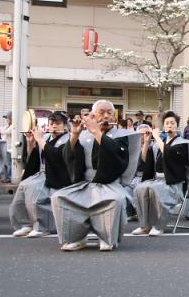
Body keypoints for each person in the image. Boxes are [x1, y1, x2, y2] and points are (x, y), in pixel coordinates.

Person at [51, 99, 133, 251]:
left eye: (110, 113)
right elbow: (68, 157)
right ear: (93, 116)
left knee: (115, 200)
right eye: (101, 113)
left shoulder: (122, 135)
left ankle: (107, 238)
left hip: (108, 183)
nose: (106, 116)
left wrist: (96, 132)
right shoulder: (83, 135)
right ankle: (77, 237)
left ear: (114, 118)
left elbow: (117, 155)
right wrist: (74, 135)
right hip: (85, 183)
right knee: (59, 197)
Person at [132, 112, 189, 236]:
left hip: (173, 183)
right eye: (167, 123)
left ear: (177, 125)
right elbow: (145, 160)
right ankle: (145, 225)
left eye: (172, 123)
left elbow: (169, 153)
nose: (170, 125)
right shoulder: (158, 143)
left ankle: (158, 225)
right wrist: (146, 142)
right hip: (157, 180)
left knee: (156, 189)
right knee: (140, 188)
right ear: (164, 126)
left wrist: (156, 137)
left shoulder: (182, 143)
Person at [10, 111, 69, 238]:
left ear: (65, 125)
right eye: (52, 123)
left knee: (35, 196)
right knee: (21, 190)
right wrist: (31, 142)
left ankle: (42, 227)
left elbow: (54, 155)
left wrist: (39, 139)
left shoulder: (68, 139)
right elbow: (34, 157)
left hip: (57, 175)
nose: (54, 126)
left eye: (58, 123)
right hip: (42, 173)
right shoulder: (46, 138)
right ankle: (25, 224)